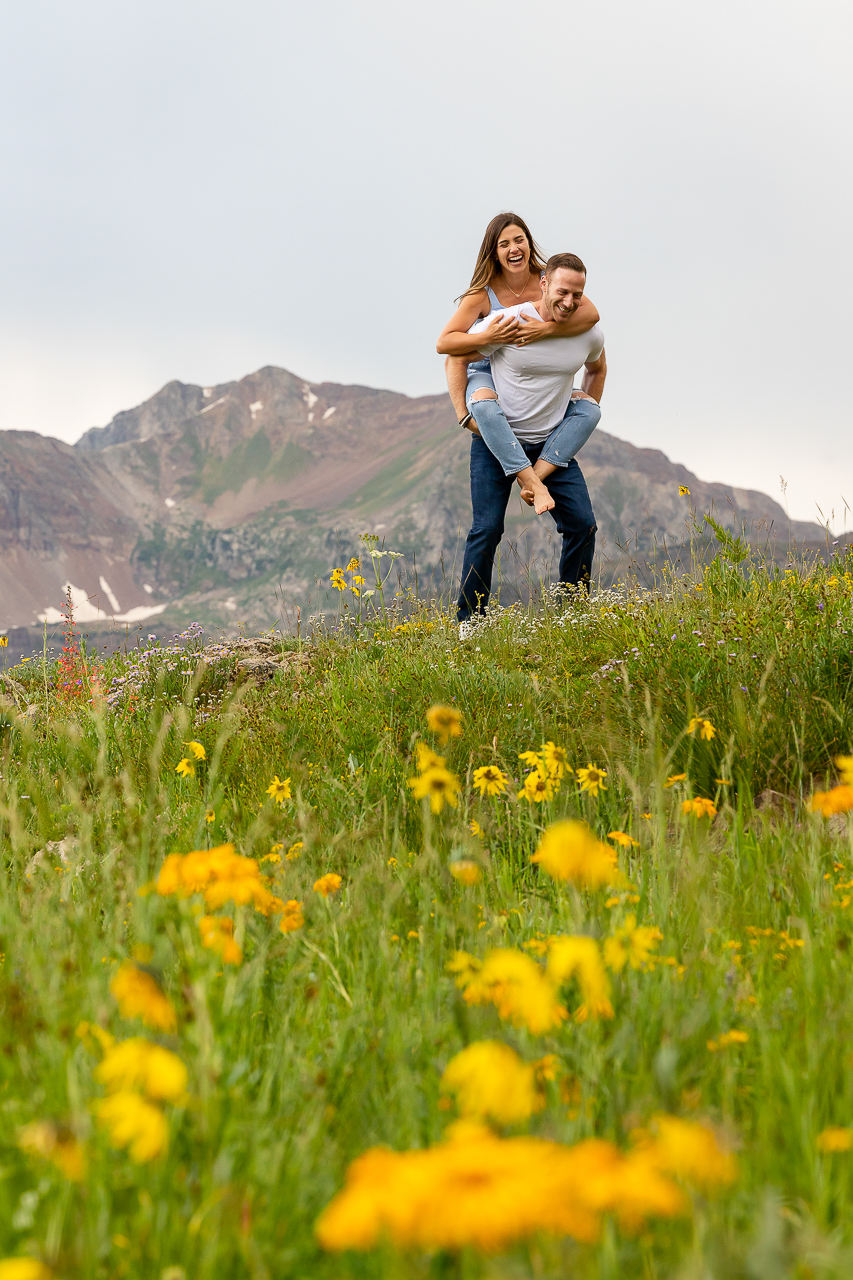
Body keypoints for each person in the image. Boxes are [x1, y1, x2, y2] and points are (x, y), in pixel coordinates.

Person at [451, 252, 607, 623]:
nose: (569, 302)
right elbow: (455, 355)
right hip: (496, 443)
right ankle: (469, 624)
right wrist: (463, 413)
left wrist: (581, 411)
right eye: (562, 291)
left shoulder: (588, 333)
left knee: (583, 525)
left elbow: (598, 368)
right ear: (543, 284)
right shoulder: (509, 321)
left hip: (549, 444)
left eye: (578, 295)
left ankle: (573, 616)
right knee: (486, 530)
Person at [436, 212, 600, 514]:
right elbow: (445, 344)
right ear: (494, 252)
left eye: (519, 240)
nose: (514, 248)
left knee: (589, 411)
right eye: (504, 243)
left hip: (533, 371)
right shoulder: (482, 292)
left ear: (529, 243)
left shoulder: (547, 279)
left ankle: (535, 478)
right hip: (486, 364)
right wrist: (491, 335)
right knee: (485, 405)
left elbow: (591, 315)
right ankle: (533, 483)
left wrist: (547, 329)